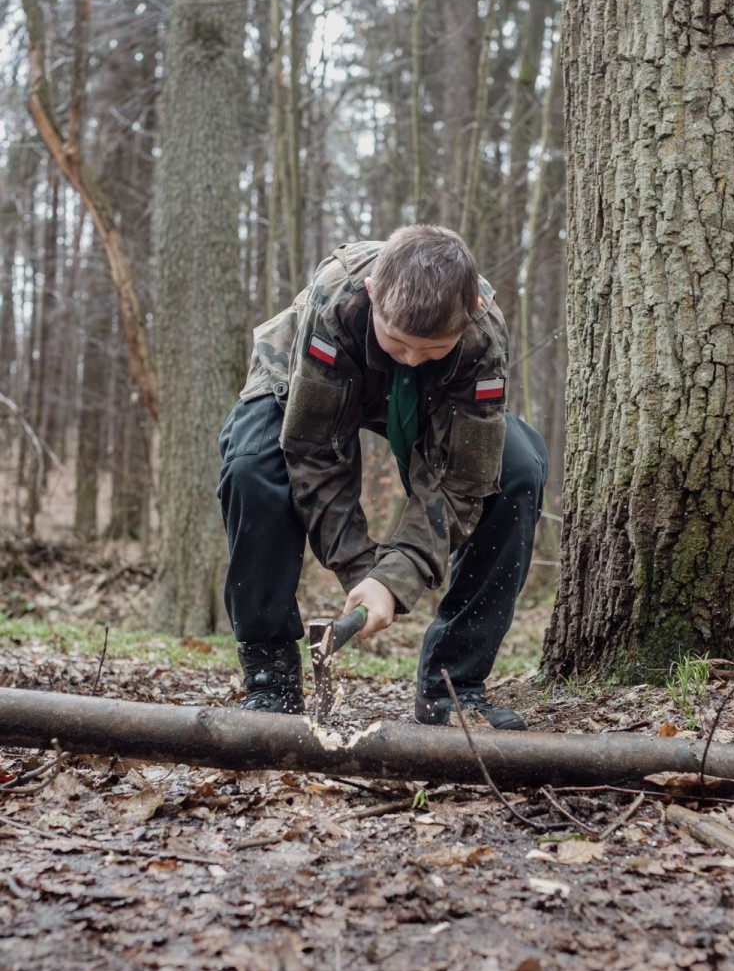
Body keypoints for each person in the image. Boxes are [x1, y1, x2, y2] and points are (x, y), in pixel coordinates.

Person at [217, 224, 548, 730]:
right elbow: (315, 454)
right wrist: (360, 572)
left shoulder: (483, 334)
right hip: (309, 375)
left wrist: (394, 579)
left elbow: (459, 481)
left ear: (472, 315)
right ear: (373, 293)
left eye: (430, 349)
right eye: (398, 342)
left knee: (518, 472)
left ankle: (453, 687)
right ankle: (272, 683)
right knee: (254, 465)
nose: (411, 358)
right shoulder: (337, 299)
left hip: (438, 402)